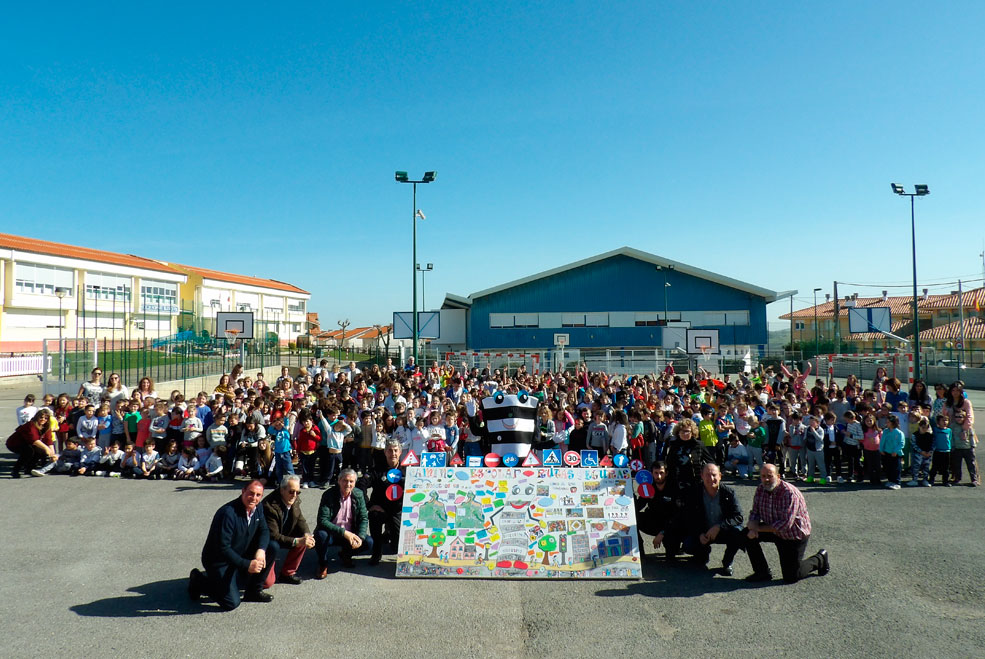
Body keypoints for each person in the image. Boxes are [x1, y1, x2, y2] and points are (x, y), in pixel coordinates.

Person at [188, 480, 273, 610]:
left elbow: (264, 530)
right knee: (231, 603)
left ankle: (253, 592)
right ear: (243, 491)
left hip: (239, 552)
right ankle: (199, 580)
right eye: (251, 493)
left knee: (272, 547)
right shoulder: (228, 513)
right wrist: (247, 564)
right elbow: (223, 548)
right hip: (219, 561)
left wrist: (261, 550)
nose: (254, 498)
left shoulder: (258, 507)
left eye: (258, 495)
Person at [745, 464, 829, 583]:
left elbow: (785, 525)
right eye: (763, 476)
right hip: (772, 529)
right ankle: (762, 572)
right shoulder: (760, 489)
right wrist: (753, 525)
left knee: (792, 576)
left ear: (778, 476)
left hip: (793, 535)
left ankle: (820, 558)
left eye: (770, 476)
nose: (766, 480)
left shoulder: (789, 493)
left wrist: (757, 528)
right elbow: (755, 512)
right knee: (746, 534)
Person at [679, 463, 746, 576]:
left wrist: (719, 526)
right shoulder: (694, 492)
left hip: (722, 530)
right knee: (688, 545)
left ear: (720, 476)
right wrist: (699, 533)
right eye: (707, 475)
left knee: (738, 533)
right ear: (701, 476)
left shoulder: (729, 493)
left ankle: (727, 563)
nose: (711, 479)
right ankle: (702, 555)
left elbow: (738, 517)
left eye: (714, 475)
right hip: (703, 531)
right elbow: (688, 517)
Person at [314, 469, 373, 577]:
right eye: (345, 480)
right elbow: (322, 520)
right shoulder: (329, 494)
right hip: (332, 532)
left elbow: (363, 518)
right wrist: (344, 533)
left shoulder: (359, 494)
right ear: (339, 481)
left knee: (368, 542)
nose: (348, 484)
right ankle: (323, 564)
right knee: (320, 535)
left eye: (351, 481)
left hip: (350, 532)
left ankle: (346, 554)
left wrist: (360, 537)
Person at [261, 474, 315, 588]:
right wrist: (296, 541)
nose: (294, 495)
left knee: (304, 538)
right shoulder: (269, 506)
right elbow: (273, 535)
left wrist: (307, 534)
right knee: (267, 583)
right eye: (291, 492)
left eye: (297, 492)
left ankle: (287, 573)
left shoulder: (294, 498)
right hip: (268, 541)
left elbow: (300, 519)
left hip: (283, 532)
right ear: (282, 490)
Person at [634, 461, 683, 560]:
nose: (659, 476)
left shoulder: (674, 487)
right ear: (651, 473)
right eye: (656, 473)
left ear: (666, 473)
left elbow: (677, 514)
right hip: (653, 521)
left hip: (669, 525)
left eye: (661, 473)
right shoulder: (648, 487)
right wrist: (630, 494)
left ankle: (674, 548)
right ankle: (640, 551)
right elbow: (638, 506)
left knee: (671, 557)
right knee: (634, 518)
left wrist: (662, 533)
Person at [368, 440, 404, 565]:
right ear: (385, 452)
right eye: (389, 450)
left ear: (400, 452)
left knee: (395, 548)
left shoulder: (407, 470)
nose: (392, 453)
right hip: (380, 508)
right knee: (374, 516)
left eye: (395, 450)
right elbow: (360, 486)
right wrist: (370, 505)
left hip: (397, 510)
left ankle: (389, 533)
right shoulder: (377, 468)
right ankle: (376, 552)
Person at [7, 409, 56, 477]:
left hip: (29, 443)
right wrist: (46, 448)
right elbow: (34, 440)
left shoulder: (46, 426)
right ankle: (15, 470)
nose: (43, 419)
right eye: (41, 417)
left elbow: (49, 440)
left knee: (41, 451)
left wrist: (52, 454)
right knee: (28, 451)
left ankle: (29, 469)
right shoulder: (31, 425)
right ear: (37, 417)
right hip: (14, 443)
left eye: (46, 418)